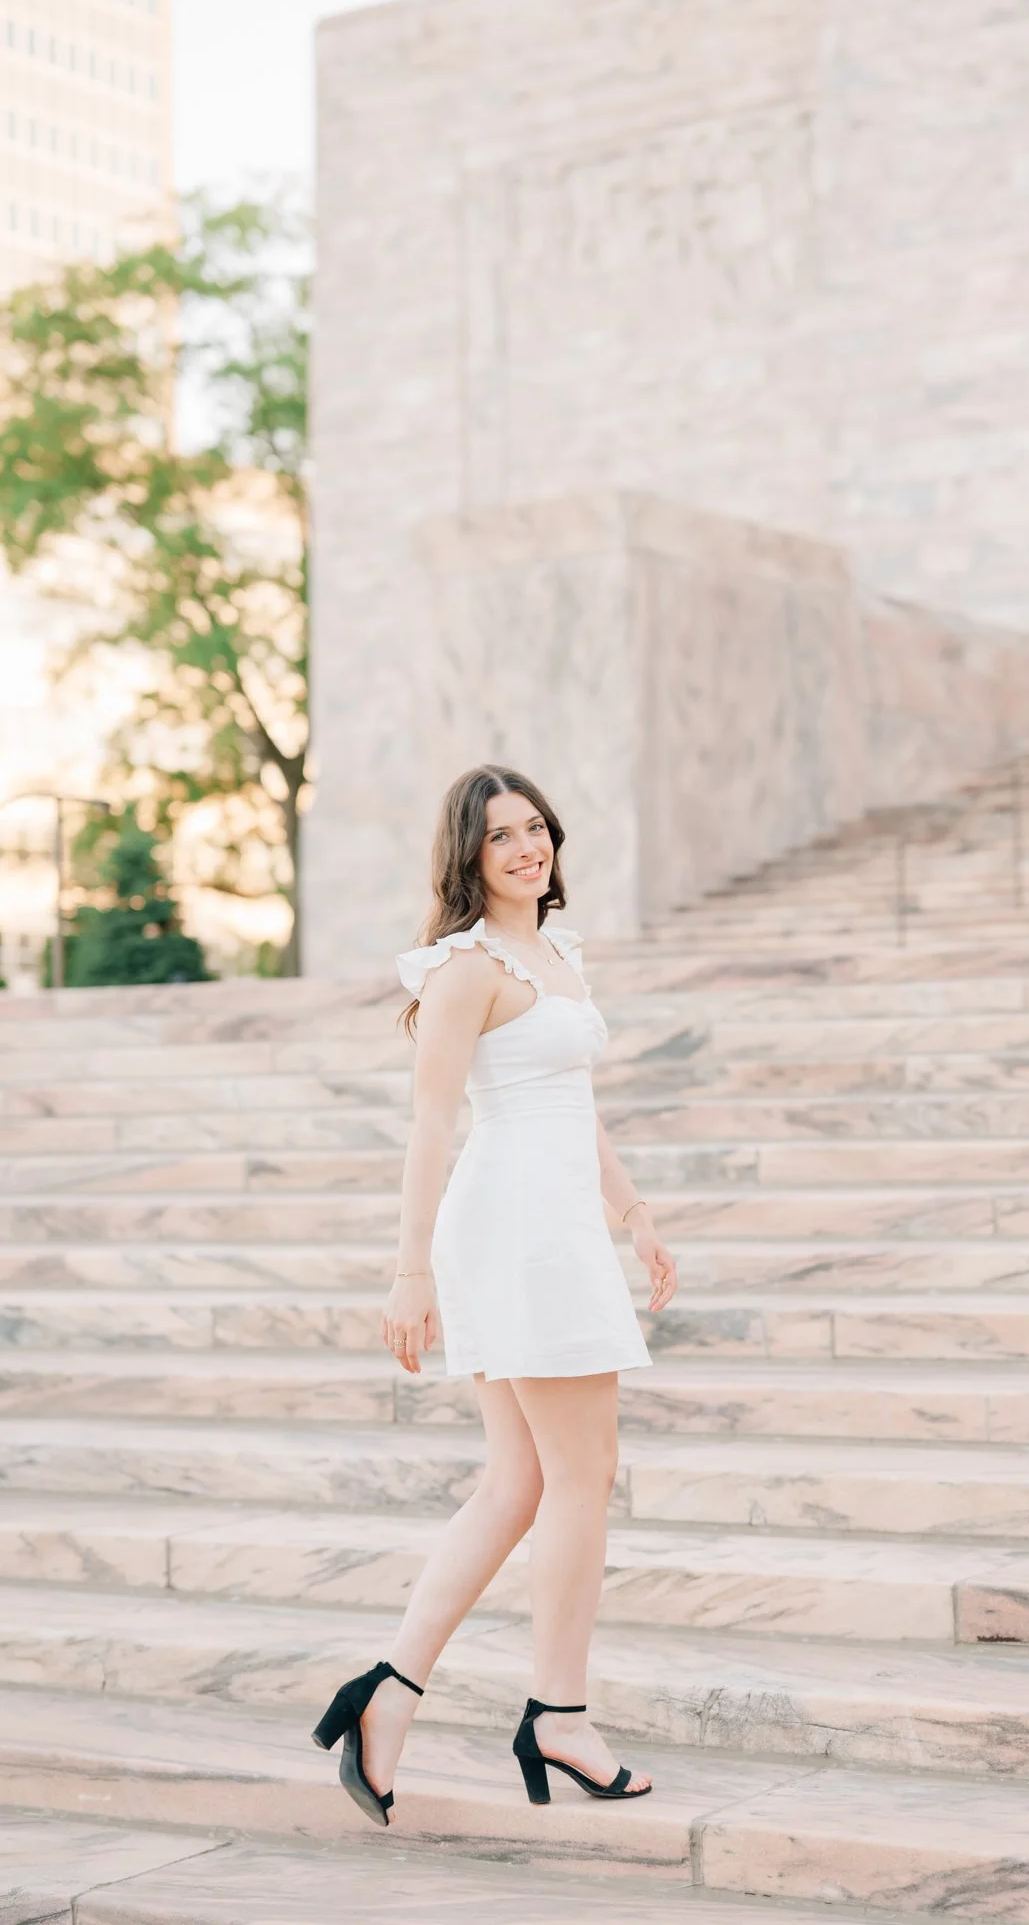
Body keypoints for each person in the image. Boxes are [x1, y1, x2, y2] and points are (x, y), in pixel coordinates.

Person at [311, 764, 678, 1828]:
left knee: (519, 1479)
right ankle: (559, 1713)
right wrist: (408, 1269)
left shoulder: (555, 953)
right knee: (582, 1472)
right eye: (499, 835)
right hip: (512, 1228)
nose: (525, 847)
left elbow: (572, 1099)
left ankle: (389, 1689)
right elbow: (433, 1122)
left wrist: (635, 1208)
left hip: (558, 1220)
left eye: (535, 828)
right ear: (467, 856)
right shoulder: (464, 967)